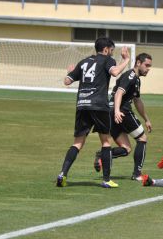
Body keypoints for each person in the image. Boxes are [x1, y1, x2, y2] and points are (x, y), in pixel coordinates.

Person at [56, 37, 130, 188]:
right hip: (98, 105)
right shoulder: (107, 60)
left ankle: (62, 174)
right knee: (105, 141)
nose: (111, 53)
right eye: (111, 50)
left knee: (77, 143)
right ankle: (106, 179)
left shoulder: (83, 62)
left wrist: (70, 72)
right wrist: (126, 60)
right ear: (105, 49)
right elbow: (115, 72)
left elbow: (67, 81)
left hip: (82, 105)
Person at [93, 53, 153, 181]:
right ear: (138, 63)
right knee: (142, 138)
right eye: (146, 65)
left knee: (126, 149)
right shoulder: (130, 76)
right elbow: (119, 93)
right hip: (121, 112)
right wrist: (117, 111)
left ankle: (101, 155)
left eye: (150, 66)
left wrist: (146, 119)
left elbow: (137, 101)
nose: (148, 68)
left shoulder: (136, 80)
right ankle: (137, 174)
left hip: (113, 112)